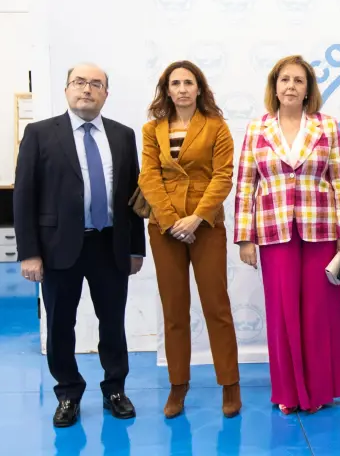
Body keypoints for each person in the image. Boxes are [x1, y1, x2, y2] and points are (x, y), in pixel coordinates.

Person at [14, 63, 145, 427]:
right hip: (58, 248)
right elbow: (24, 196)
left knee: (113, 323)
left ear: (106, 92)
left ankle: (115, 389)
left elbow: (133, 197)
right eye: (79, 82)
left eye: (96, 84)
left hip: (110, 245)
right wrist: (29, 252)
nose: (87, 89)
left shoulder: (122, 135)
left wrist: (136, 246)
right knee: (59, 324)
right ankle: (68, 393)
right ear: (67, 89)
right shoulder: (40, 133)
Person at [233, 54, 340, 415]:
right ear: (275, 86)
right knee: (283, 311)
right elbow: (245, 186)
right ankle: (288, 391)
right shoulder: (257, 129)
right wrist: (245, 237)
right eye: (284, 79)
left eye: (298, 81)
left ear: (308, 90)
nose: (290, 86)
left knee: (319, 312)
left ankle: (319, 391)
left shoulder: (327, 127)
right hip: (273, 231)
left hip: (321, 229)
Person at [138, 60, 241, 419]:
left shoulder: (217, 127)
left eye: (189, 83)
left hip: (206, 224)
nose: (182, 88)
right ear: (167, 90)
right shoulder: (151, 130)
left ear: (200, 89)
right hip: (164, 227)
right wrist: (171, 221)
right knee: (174, 310)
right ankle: (177, 386)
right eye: (175, 83)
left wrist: (196, 218)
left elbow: (223, 176)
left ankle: (230, 384)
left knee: (217, 307)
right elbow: (148, 177)